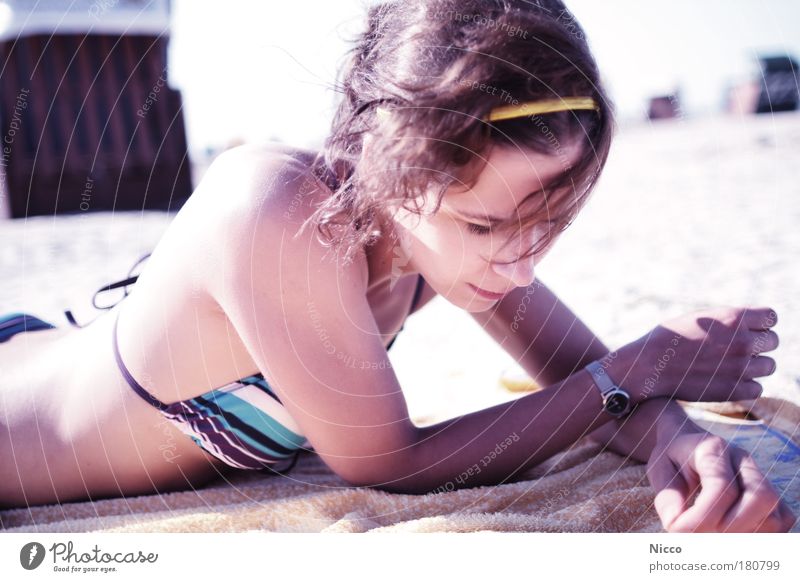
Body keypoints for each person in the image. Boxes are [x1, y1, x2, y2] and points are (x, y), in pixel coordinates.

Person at [0, 0, 794, 533]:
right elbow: (394, 460)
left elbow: (584, 371)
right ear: (389, 162)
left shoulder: (431, 241)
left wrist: (681, 438)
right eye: (484, 223)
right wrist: (636, 374)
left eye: (547, 226)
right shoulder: (277, 210)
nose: (518, 268)